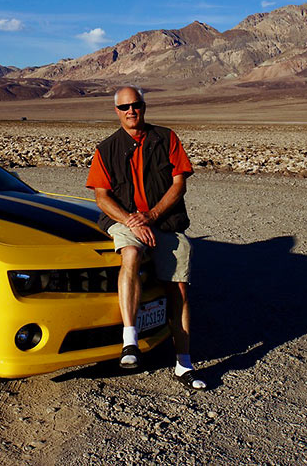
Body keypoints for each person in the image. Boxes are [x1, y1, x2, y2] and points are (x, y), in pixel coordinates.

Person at [86, 86, 206, 390]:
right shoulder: (107, 149)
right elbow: (102, 197)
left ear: (144, 106)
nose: (130, 111)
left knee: (179, 285)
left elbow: (179, 184)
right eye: (124, 107)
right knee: (130, 253)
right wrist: (131, 220)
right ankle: (130, 341)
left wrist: (151, 217)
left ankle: (184, 362)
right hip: (125, 220)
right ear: (116, 111)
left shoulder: (166, 138)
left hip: (162, 220)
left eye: (135, 105)